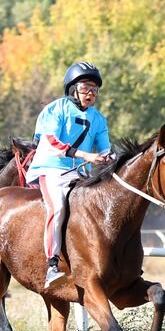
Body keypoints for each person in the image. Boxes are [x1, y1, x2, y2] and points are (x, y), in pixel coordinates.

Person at [26, 62, 112, 288]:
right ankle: (52, 265)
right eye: (85, 87)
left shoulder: (99, 119)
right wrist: (86, 155)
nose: (91, 93)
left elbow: (105, 150)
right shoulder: (56, 109)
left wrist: (114, 160)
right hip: (51, 168)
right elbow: (52, 142)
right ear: (72, 89)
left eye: (95, 89)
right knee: (59, 208)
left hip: (80, 174)